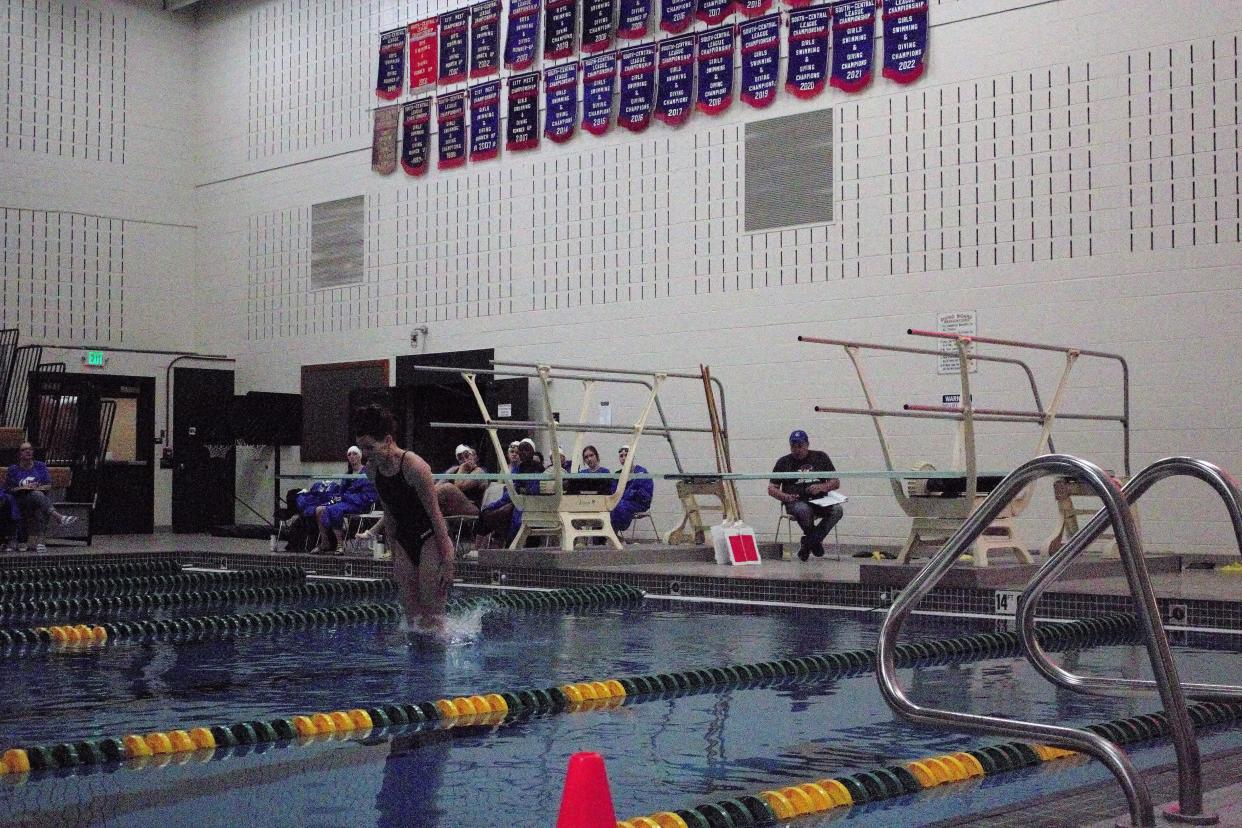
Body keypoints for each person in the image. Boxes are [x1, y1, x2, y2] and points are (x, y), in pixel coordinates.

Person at [354, 405, 455, 635]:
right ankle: (416, 670)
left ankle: (438, 665)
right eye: (362, 448)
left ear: (388, 440)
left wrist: (448, 558)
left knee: (432, 618)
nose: (365, 454)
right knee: (412, 620)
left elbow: (434, 514)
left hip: (429, 537)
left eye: (370, 447)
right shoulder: (372, 471)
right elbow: (389, 513)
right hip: (403, 540)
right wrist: (393, 554)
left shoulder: (415, 467)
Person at [768, 429, 842, 561]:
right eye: (793, 446)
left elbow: (835, 482)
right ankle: (814, 542)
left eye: (800, 446)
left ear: (807, 444)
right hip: (796, 502)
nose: (796, 450)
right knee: (803, 509)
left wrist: (822, 487)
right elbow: (772, 489)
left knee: (837, 510)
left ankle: (808, 543)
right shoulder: (783, 462)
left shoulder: (821, 457)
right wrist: (785, 496)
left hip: (820, 500)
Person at [4, 442, 77, 553]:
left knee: (39, 503)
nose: (28, 451)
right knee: (38, 496)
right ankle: (58, 517)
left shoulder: (40, 466)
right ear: (20, 454)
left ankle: (41, 542)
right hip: (20, 500)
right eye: (24, 450)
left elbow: (48, 485)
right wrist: (24, 487)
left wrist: (36, 487)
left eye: (30, 449)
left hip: (37, 500)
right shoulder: (13, 469)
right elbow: (8, 489)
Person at [312, 446, 379, 555]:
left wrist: (346, 497)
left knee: (334, 509)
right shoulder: (347, 475)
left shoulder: (367, 473)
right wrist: (337, 497)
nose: (352, 456)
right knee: (319, 509)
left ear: (360, 456)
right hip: (345, 502)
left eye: (355, 454)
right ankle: (325, 542)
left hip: (359, 503)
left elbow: (368, 495)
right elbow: (340, 493)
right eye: (349, 454)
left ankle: (340, 544)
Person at [477, 437, 542, 546]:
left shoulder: (538, 468)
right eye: (521, 450)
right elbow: (513, 490)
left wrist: (520, 490)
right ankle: (480, 547)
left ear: (532, 452)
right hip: (515, 499)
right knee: (486, 511)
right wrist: (493, 505)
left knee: (511, 518)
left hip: (529, 504)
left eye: (527, 449)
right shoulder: (518, 468)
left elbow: (533, 490)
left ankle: (510, 545)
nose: (523, 453)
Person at [611, 445, 653, 535]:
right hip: (621, 503)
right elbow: (614, 493)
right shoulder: (617, 474)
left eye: (626, 455)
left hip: (639, 504)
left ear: (632, 456)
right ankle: (609, 537)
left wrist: (629, 494)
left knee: (618, 506)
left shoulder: (641, 472)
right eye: (621, 456)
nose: (624, 458)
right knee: (609, 507)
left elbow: (644, 495)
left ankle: (614, 535)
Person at [437, 445, 489, 515]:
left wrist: (462, 469)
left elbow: (459, 487)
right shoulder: (454, 470)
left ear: (474, 457)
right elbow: (437, 487)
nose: (465, 460)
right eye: (461, 458)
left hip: (473, 508)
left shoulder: (479, 472)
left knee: (447, 488)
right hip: (452, 506)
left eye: (467, 456)